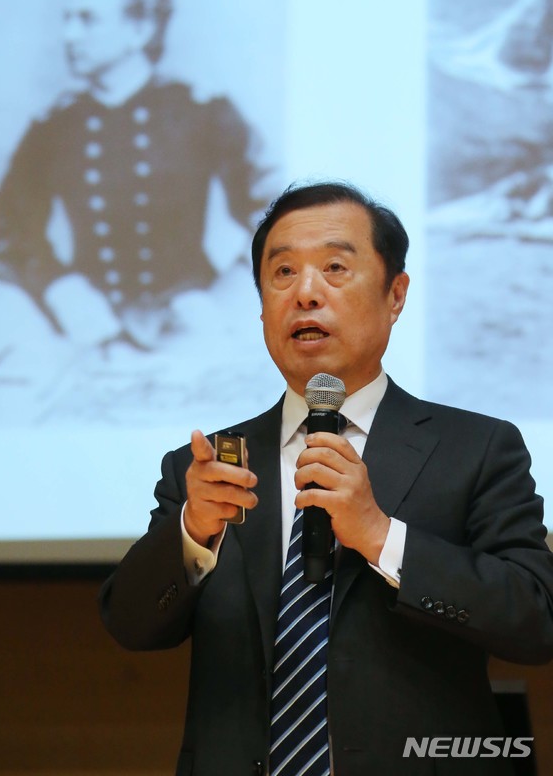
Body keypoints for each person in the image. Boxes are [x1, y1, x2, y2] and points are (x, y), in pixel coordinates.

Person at [99, 180, 553, 774]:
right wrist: (193, 533)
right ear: (262, 305)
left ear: (396, 294)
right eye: (282, 272)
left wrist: (379, 536)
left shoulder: (477, 449)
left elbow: (535, 623)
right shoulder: (211, 465)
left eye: (334, 267)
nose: (305, 293)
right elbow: (132, 624)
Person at [0, 0, 271, 350]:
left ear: (139, 29)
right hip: (90, 327)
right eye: (67, 19)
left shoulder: (201, 110)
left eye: (87, 20)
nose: (69, 35)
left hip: (193, 323)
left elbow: (280, 212)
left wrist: (230, 295)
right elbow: (4, 232)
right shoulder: (54, 126)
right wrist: (60, 289)